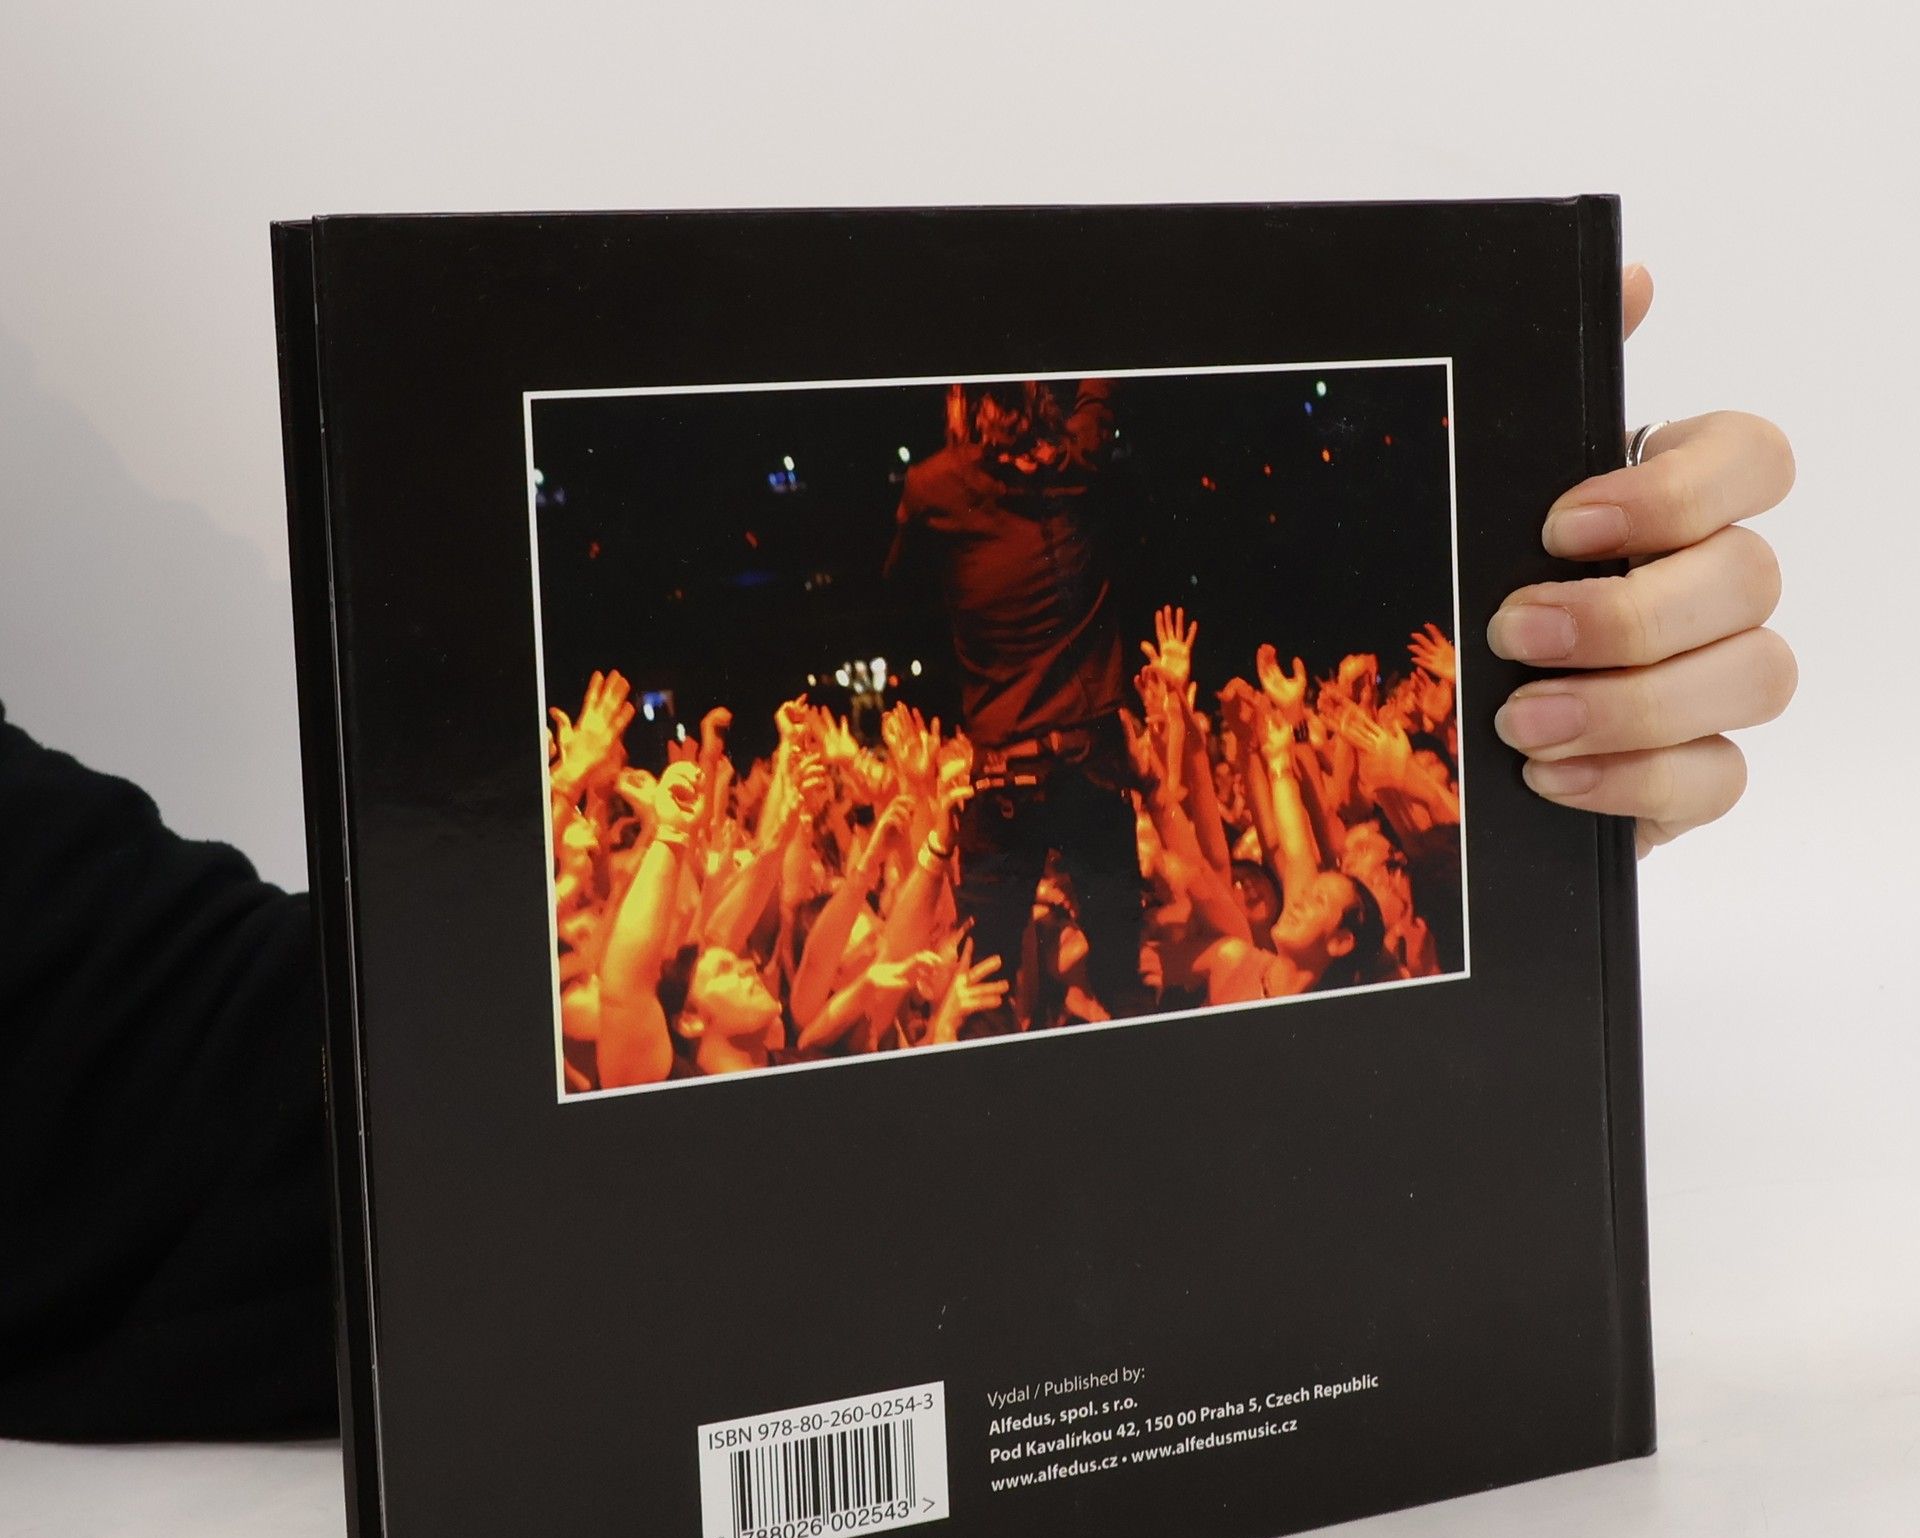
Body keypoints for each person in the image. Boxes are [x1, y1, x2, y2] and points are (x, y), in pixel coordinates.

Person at [0, 264, 1799, 1441]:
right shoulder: (1071, 486)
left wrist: (1508, 834)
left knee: (1011, 986)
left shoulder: (943, 499)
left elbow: (201, 1104)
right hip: (1077, 781)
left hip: (1002, 785)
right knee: (1101, 985)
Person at [885, 378, 1152, 1024]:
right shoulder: (1078, 464)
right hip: (1092, 763)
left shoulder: (934, 487)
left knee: (985, 988)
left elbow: (900, 594)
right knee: (1122, 977)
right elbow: (1096, 401)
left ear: (961, 401)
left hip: (1006, 768)